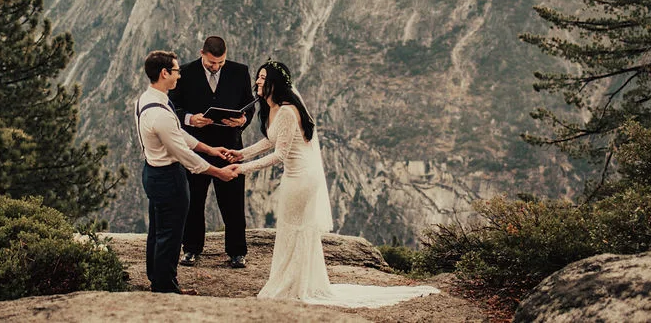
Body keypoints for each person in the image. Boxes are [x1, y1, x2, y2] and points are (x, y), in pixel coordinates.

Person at [227, 60, 440, 307]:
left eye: (262, 78)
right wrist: (241, 154)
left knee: (294, 230)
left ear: (274, 82)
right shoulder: (275, 109)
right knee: (292, 230)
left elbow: (279, 155)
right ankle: (296, 281)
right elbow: (271, 141)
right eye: (258, 77)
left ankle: (293, 285)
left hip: (301, 179)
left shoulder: (286, 111)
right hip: (296, 176)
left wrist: (242, 169)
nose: (257, 82)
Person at [136, 50, 238, 295]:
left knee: (158, 231)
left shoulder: (147, 100)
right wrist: (218, 172)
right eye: (176, 71)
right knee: (171, 235)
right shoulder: (160, 113)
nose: (179, 76)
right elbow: (184, 155)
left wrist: (210, 149)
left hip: (152, 172)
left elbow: (179, 134)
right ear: (164, 73)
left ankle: (156, 278)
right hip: (168, 177)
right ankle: (166, 288)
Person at [168, 36, 255, 268]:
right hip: (196, 147)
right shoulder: (185, 73)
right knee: (194, 201)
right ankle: (191, 249)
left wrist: (242, 121)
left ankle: (237, 252)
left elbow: (250, 105)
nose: (216, 67)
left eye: (220, 63)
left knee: (233, 201)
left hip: (230, 148)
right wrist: (190, 119)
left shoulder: (240, 71)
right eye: (211, 63)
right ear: (202, 53)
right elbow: (172, 107)